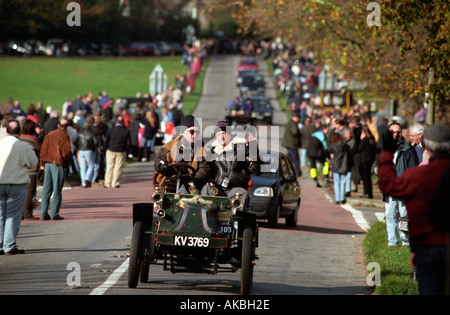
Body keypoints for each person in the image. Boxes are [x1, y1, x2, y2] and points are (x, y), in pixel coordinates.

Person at [378, 124, 450, 295]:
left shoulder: (418, 176)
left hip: (427, 247)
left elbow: (388, 185)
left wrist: (386, 153)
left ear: (427, 146)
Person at [202, 120, 261, 208]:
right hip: (217, 189)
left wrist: (254, 153)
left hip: (234, 189)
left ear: (230, 134)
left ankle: (235, 220)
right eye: (218, 134)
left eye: (224, 133)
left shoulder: (242, 148)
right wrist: (209, 180)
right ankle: (206, 216)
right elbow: (206, 169)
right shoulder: (211, 151)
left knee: (242, 194)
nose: (221, 137)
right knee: (206, 189)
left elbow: (255, 170)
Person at [0, 120, 38, 254]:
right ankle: (9, 245)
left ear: (6, 130)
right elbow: (34, 163)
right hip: (16, 184)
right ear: (20, 131)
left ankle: (0, 244)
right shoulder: (23, 146)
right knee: (13, 216)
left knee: (1, 215)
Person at [382, 122, 419, 248]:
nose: (396, 134)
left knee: (404, 216)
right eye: (393, 132)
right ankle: (392, 242)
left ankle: (405, 242)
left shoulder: (408, 149)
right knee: (390, 215)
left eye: (398, 132)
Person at [154, 114, 210, 193]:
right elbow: (159, 159)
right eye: (192, 132)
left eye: (197, 132)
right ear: (183, 132)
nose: (194, 135)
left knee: (197, 194)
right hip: (171, 181)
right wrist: (162, 165)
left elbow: (204, 168)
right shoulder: (170, 146)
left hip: (193, 182)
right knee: (165, 194)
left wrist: (194, 181)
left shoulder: (202, 150)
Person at [39, 118, 72, 220]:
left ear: (58, 125)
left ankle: (43, 213)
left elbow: (43, 149)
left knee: (46, 189)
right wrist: (67, 163)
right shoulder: (64, 136)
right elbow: (66, 153)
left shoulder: (49, 134)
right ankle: (54, 213)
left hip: (47, 163)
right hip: (58, 164)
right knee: (57, 189)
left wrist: (42, 163)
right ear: (67, 127)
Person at [19, 119, 40, 220]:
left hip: (19, 168)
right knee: (29, 191)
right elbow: (38, 150)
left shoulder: (19, 139)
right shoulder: (34, 139)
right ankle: (27, 213)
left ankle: (20, 213)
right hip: (31, 169)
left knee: (20, 191)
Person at [104, 115, 130, 188]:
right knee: (118, 167)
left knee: (109, 166)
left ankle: (107, 182)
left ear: (116, 122)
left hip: (110, 150)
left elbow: (106, 140)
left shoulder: (111, 130)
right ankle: (115, 183)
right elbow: (128, 143)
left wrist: (106, 148)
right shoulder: (126, 131)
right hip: (121, 151)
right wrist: (126, 150)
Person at [75, 118, 99, 188]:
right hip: (89, 150)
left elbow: (75, 141)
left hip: (81, 150)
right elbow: (96, 142)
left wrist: (78, 148)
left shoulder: (80, 132)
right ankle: (87, 179)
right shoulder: (92, 133)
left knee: (83, 167)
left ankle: (83, 182)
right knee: (91, 165)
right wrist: (95, 149)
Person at [328, 132, 351, 204]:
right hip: (344, 165)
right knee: (343, 182)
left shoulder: (332, 146)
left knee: (336, 183)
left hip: (335, 165)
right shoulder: (345, 145)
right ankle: (342, 198)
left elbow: (328, 152)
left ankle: (337, 199)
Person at [306, 123, 330, 187]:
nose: (328, 131)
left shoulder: (314, 134)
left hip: (309, 153)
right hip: (318, 153)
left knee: (313, 167)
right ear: (324, 129)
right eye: (327, 130)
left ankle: (315, 180)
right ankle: (326, 178)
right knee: (326, 164)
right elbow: (325, 146)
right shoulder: (322, 136)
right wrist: (328, 156)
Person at [357, 125, 377, 199]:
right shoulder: (371, 139)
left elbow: (359, 148)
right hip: (370, 159)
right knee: (368, 177)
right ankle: (369, 193)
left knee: (365, 177)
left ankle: (366, 193)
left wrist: (361, 139)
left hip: (364, 160)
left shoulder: (365, 140)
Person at [282, 113, 302, 177]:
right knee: (295, 159)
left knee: (289, 159)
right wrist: (300, 133)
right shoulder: (293, 124)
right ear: (296, 118)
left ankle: (287, 171)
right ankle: (297, 173)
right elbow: (295, 132)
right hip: (292, 144)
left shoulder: (289, 122)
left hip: (289, 143)